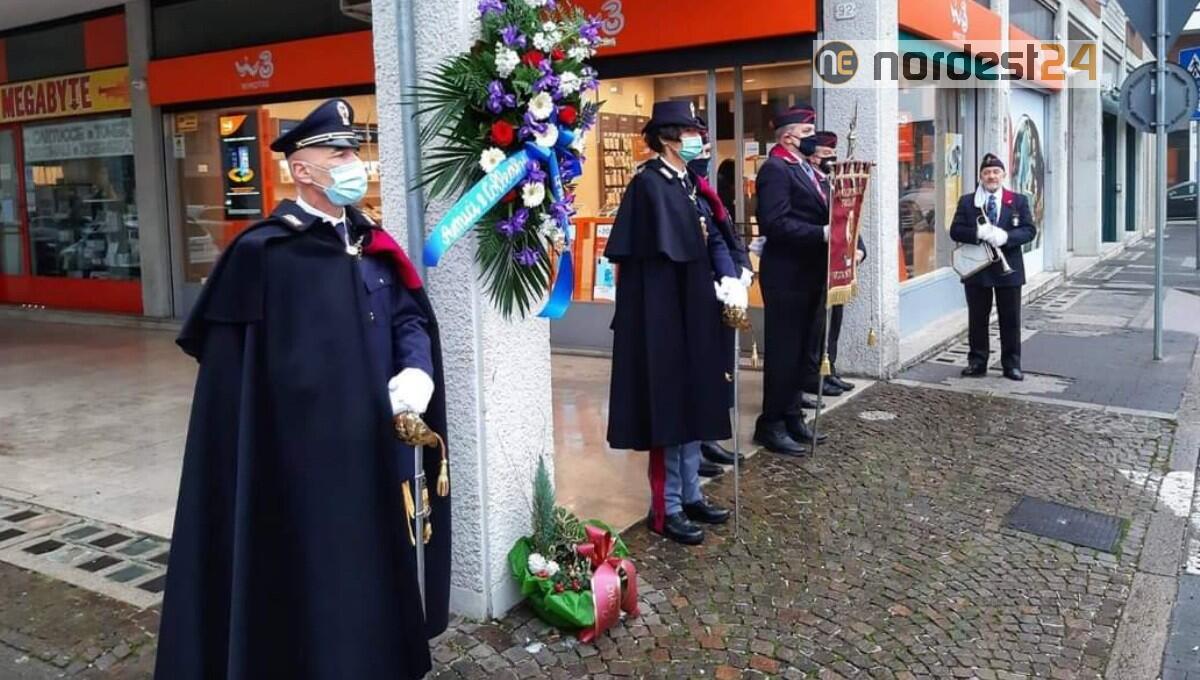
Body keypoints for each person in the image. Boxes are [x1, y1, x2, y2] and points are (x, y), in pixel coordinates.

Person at [155, 99, 450, 680]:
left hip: (372, 453)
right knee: (309, 586)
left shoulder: (370, 242)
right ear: (302, 169)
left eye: (355, 151)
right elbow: (234, 380)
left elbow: (407, 318)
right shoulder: (264, 254)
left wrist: (415, 371)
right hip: (297, 467)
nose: (352, 163)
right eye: (336, 152)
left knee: (372, 572)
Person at [606, 101, 740, 545]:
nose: (696, 137)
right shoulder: (648, 185)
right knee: (667, 411)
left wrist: (730, 277)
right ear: (666, 137)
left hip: (694, 309)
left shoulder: (687, 183)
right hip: (661, 316)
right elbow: (646, 262)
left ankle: (691, 493)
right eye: (688, 131)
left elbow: (711, 235)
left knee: (693, 402)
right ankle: (667, 508)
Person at [752, 104, 829, 456]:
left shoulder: (807, 170)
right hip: (786, 273)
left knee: (802, 351)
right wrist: (821, 233)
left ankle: (793, 413)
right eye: (807, 134)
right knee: (784, 352)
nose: (812, 140)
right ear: (788, 137)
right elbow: (775, 223)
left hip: (809, 271)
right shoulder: (776, 170)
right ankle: (771, 423)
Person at [688, 135, 752, 475]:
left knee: (721, 369)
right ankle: (696, 442)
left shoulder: (707, 192)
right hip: (701, 290)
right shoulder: (682, 190)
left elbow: (726, 235)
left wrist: (741, 270)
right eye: (703, 151)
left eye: (710, 152)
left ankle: (711, 435)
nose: (707, 158)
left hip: (723, 289)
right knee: (701, 371)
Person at [949, 152, 1037, 381]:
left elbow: (1029, 230)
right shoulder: (968, 202)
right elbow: (955, 231)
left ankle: (1011, 365)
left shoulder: (1018, 200)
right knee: (977, 319)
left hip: (1009, 271)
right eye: (987, 172)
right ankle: (977, 362)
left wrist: (1006, 236)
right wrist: (977, 233)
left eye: (996, 172)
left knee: (1010, 320)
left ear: (1003, 175)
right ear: (980, 176)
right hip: (978, 270)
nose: (991, 176)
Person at [808, 130, 865, 393]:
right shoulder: (811, 185)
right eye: (824, 155)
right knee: (817, 327)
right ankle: (815, 376)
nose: (829, 160)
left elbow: (850, 220)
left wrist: (859, 250)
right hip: (816, 265)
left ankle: (830, 369)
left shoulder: (836, 185)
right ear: (812, 156)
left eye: (833, 155)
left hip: (838, 267)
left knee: (835, 323)